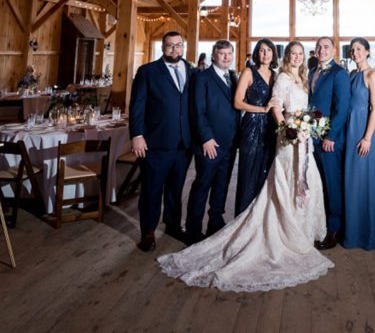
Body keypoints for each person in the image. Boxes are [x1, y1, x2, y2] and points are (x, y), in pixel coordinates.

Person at [158, 41, 332, 291]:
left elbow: (300, 108)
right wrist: (289, 128)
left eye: (299, 54)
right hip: (262, 130)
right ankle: (217, 227)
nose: (294, 57)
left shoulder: (294, 76)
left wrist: (305, 125)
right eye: (291, 53)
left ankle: (291, 227)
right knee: (248, 178)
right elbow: (265, 105)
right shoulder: (271, 76)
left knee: (274, 181)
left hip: (281, 135)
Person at [129, 32, 194, 252]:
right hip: (155, 142)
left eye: (178, 46)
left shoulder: (192, 71)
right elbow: (137, 105)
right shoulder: (147, 72)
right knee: (152, 189)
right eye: (170, 46)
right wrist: (136, 135)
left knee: (176, 189)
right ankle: (148, 231)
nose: (175, 50)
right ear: (162, 47)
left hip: (184, 143)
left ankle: (173, 225)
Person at [186, 41, 239, 242]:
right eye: (222, 54)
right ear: (213, 56)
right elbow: (197, 111)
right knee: (203, 184)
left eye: (229, 54)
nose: (226, 57)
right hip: (210, 143)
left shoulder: (232, 77)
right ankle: (193, 229)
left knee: (222, 184)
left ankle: (215, 222)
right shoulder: (202, 78)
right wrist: (206, 138)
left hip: (230, 142)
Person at [308, 36, 350, 250]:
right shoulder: (311, 71)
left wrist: (331, 137)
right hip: (311, 136)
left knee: (332, 183)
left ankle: (335, 229)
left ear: (333, 50)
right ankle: (320, 225)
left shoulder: (339, 73)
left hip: (329, 140)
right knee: (319, 183)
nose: (321, 50)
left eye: (326, 47)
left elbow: (342, 109)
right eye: (318, 47)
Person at [342, 38, 375, 250]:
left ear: (367, 52)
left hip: (363, 129)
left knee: (363, 180)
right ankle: (351, 231)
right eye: (352, 50)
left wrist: (367, 137)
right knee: (351, 180)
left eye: (359, 49)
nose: (355, 53)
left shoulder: (371, 75)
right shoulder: (352, 74)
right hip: (350, 128)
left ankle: (366, 234)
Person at [233, 39, 277, 215]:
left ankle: (261, 219)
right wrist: (262, 109)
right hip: (251, 126)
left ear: (274, 54)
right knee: (249, 172)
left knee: (266, 172)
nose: (265, 54)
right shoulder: (249, 72)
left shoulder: (275, 74)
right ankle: (243, 218)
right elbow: (237, 102)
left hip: (270, 128)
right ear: (257, 53)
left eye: (268, 50)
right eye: (261, 50)